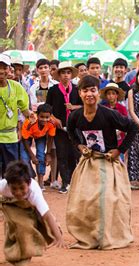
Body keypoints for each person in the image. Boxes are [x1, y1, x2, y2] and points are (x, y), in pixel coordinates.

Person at [66, 75, 138, 249]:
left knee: (109, 200)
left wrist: (119, 150)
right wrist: (79, 145)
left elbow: (133, 127)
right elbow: (70, 132)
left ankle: (109, 236)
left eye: (92, 90)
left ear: (98, 93)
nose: (89, 94)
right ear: (80, 93)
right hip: (89, 163)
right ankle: (89, 236)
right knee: (84, 200)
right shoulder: (75, 117)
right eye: (85, 91)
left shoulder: (109, 115)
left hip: (109, 164)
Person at [0, 160, 65, 266]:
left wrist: (58, 237)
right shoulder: (3, 185)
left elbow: (47, 215)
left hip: (30, 206)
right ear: (8, 184)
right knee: (21, 225)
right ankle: (15, 251)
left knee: (39, 224)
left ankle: (26, 250)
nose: (18, 192)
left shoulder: (34, 192)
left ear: (29, 183)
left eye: (22, 188)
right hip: (10, 204)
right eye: (14, 188)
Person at [46, 61, 83, 193]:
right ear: (59, 75)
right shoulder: (53, 90)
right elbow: (47, 109)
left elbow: (83, 106)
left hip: (74, 128)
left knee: (74, 154)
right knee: (61, 154)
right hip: (59, 128)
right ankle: (65, 182)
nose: (66, 75)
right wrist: (54, 119)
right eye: (63, 73)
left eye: (68, 73)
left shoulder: (77, 90)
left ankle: (73, 181)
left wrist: (73, 107)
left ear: (71, 75)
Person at [0, 54, 32, 178]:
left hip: (10, 138)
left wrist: (31, 116)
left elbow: (25, 110)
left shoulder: (16, 87)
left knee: (11, 172)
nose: (1, 71)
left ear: (9, 69)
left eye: (4, 67)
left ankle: (10, 196)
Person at [20, 103, 56, 189]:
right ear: (37, 115)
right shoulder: (30, 122)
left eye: (47, 117)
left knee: (41, 155)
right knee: (24, 157)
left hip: (41, 136)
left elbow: (50, 138)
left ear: (50, 116)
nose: (44, 119)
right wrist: (32, 156)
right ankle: (30, 179)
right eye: (42, 117)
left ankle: (40, 182)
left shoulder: (51, 123)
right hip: (27, 138)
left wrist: (48, 153)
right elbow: (24, 140)